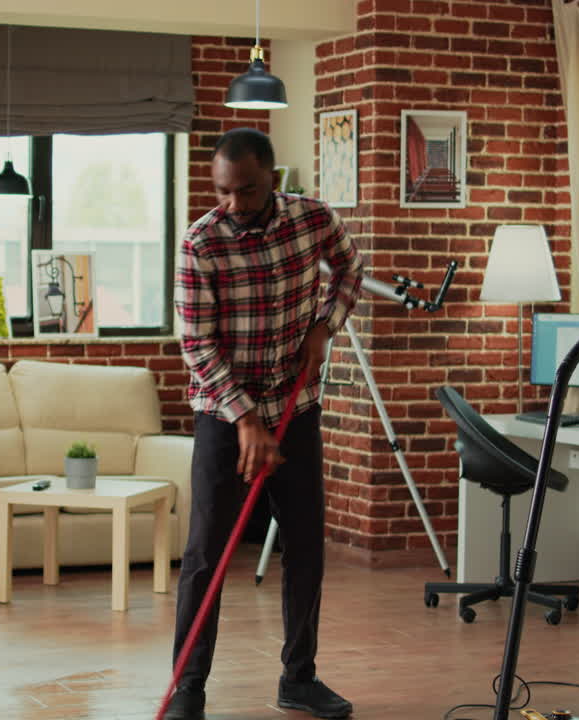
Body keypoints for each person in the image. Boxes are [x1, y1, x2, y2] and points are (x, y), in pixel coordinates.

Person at [168, 128, 363, 719]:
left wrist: (325, 325)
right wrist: (246, 418)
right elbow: (196, 343)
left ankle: (299, 678)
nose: (232, 205)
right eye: (222, 192)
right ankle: (188, 689)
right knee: (207, 555)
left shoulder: (313, 219)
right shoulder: (201, 243)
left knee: (305, 547)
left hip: (296, 410)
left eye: (245, 191)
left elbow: (349, 270)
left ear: (272, 181)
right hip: (225, 417)